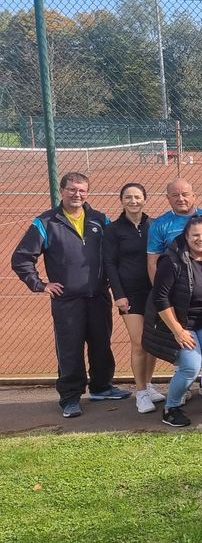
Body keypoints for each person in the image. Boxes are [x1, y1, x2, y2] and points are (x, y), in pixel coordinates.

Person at [11, 172, 128, 418]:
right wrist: (40, 284)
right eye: (72, 190)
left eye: (82, 190)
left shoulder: (100, 219)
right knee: (70, 349)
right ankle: (70, 397)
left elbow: (114, 253)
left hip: (98, 296)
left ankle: (101, 386)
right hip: (67, 301)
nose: (77, 194)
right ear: (62, 191)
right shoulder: (45, 222)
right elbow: (21, 258)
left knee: (101, 344)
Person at [151, 216, 202, 427]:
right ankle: (171, 407)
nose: (201, 239)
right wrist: (178, 331)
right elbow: (160, 298)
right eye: (195, 235)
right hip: (179, 324)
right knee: (190, 366)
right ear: (186, 237)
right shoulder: (172, 260)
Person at [104, 183, 166, 413]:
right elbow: (109, 264)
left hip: (154, 292)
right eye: (128, 197)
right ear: (122, 200)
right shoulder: (113, 230)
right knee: (139, 342)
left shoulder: (154, 225)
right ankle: (140, 393)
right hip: (129, 294)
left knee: (152, 343)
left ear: (145, 199)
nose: (133, 201)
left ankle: (148, 385)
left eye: (137, 197)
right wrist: (118, 295)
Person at [146, 178, 202, 283]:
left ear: (194, 196)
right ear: (168, 198)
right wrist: (159, 293)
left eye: (185, 194)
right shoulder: (159, 225)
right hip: (175, 282)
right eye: (175, 195)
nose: (180, 199)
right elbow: (153, 262)